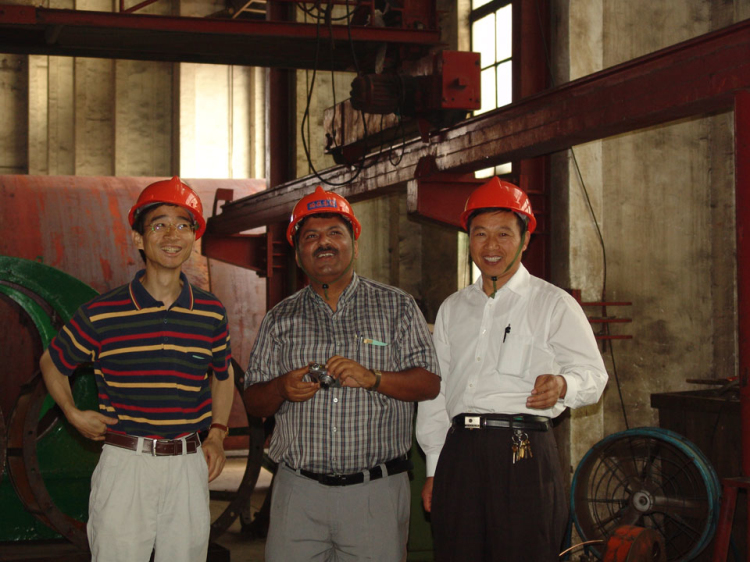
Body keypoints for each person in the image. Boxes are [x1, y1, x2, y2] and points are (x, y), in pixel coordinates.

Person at [39, 176, 235, 562]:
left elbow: (222, 377)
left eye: (183, 225)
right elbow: (52, 362)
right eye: (159, 224)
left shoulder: (211, 312)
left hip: (187, 466)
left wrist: (216, 435)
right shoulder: (102, 313)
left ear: (194, 237)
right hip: (126, 464)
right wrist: (73, 414)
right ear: (138, 239)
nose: (172, 234)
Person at [243, 185, 441, 562]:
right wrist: (282, 388)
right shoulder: (279, 319)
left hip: (375, 493)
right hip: (297, 493)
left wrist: (375, 378)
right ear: (298, 251)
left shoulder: (396, 307)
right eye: (311, 237)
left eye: (335, 233)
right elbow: (254, 400)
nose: (324, 243)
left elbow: (429, 383)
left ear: (354, 242)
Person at [416, 177, 608, 562]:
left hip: (525, 454)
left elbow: (594, 376)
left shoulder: (552, 304)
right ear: (468, 239)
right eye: (480, 234)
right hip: (460, 453)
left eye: (504, 234)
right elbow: (437, 393)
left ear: (525, 239)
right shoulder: (453, 308)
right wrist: (435, 466)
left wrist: (563, 384)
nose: (491, 246)